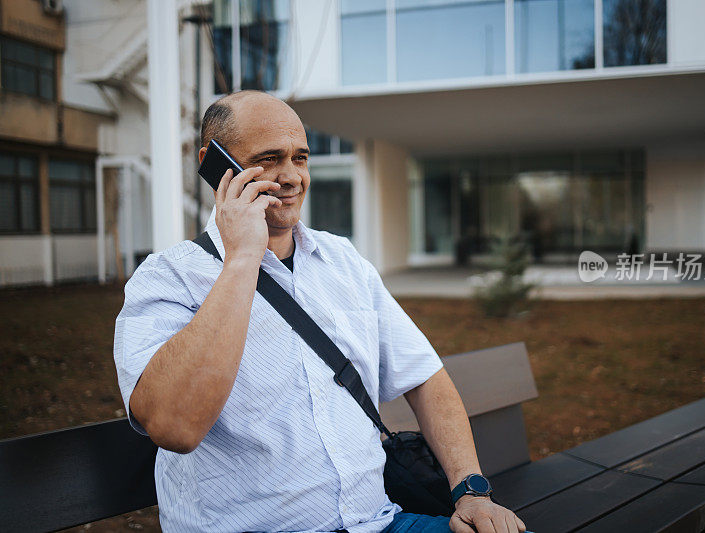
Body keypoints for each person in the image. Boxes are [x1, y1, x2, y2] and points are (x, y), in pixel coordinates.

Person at [113, 90, 527, 533]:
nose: (292, 176)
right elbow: (175, 426)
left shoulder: (343, 261)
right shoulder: (168, 277)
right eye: (269, 159)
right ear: (216, 165)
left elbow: (424, 376)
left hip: (377, 523)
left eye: (301, 157)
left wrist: (471, 492)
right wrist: (241, 259)